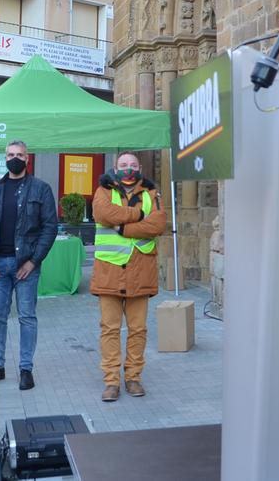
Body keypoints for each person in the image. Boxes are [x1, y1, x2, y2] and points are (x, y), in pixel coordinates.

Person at [0, 140, 58, 391]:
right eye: (11, 154)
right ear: (5, 157)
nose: (15, 158)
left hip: (25, 266)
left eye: (20, 155)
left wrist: (33, 261)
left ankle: (25, 369)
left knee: (27, 317)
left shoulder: (41, 189)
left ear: (28, 158)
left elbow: (50, 228)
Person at [91, 152, 167, 402]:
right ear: (115, 167)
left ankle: (133, 377)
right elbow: (103, 214)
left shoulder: (152, 193)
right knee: (109, 330)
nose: (128, 168)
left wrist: (122, 227)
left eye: (133, 165)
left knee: (138, 330)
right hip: (109, 272)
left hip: (140, 271)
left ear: (140, 167)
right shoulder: (103, 190)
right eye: (123, 165)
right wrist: (137, 216)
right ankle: (111, 381)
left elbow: (156, 225)